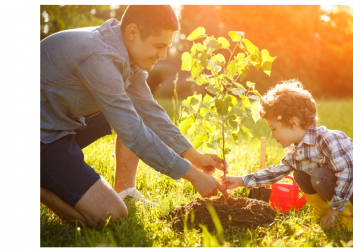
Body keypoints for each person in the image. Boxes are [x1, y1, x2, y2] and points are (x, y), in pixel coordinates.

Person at [40, 5, 229, 228]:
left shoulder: (126, 54)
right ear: (132, 32)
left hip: (60, 120)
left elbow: (150, 111)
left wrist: (192, 155)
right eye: (159, 46)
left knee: (132, 111)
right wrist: (194, 177)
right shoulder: (99, 57)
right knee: (110, 215)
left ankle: (125, 191)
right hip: (42, 137)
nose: (163, 55)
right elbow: (133, 132)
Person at [221, 80, 353, 230]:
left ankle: (347, 218)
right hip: (340, 188)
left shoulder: (328, 140)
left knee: (318, 175)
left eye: (274, 128)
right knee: (300, 173)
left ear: (293, 123)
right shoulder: (293, 150)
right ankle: (322, 212)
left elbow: (348, 174)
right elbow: (275, 172)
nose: (271, 135)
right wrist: (240, 181)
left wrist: (334, 210)